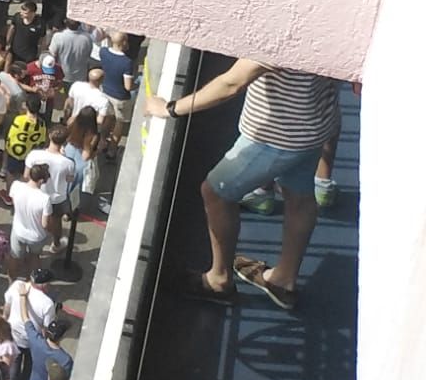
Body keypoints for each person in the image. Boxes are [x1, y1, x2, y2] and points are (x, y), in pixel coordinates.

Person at [145, 60, 340, 309]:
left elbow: (231, 83)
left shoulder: (283, 28)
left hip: (276, 138)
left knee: (215, 192)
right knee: (300, 198)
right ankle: (283, 280)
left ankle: (219, 280)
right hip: (315, 126)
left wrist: (169, 108)